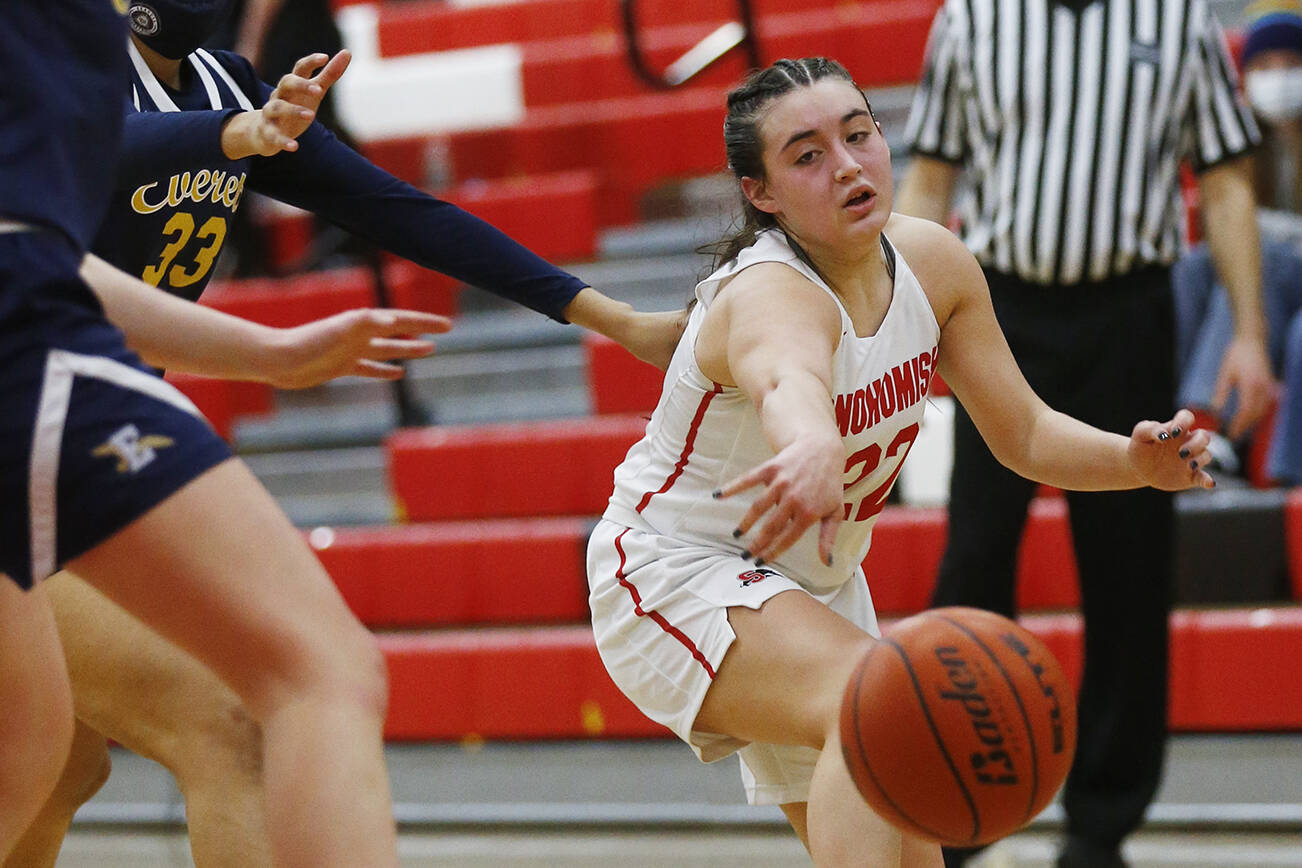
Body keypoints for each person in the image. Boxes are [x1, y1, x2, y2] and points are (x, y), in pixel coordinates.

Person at [8, 3, 683, 865]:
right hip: (33, 419)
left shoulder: (224, 81)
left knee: (56, 764)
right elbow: (96, 153)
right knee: (232, 723)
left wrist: (607, 315)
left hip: (83, 431)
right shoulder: (76, 66)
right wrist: (233, 138)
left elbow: (391, 207)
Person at [585, 57, 1216, 868]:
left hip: (809, 585)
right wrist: (811, 444)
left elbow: (1023, 432)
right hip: (672, 568)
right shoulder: (770, 290)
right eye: (807, 155)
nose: (847, 164)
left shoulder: (932, 263)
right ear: (761, 193)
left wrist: (1133, 463)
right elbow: (788, 378)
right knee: (876, 705)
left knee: (908, 828)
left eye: (858, 134)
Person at [0, 1, 455, 863]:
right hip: (39, 373)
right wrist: (234, 136)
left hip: (49, 355)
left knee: (44, 756)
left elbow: (42, 256)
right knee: (249, 711)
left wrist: (270, 353)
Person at [896, 0, 1276, 862]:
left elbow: (1224, 182)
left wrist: (1250, 333)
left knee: (1130, 572)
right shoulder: (970, 17)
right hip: (996, 310)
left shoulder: (1175, 18)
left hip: (1129, 313)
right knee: (974, 561)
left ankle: (1101, 829)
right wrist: (900, 334)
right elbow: (929, 184)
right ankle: (955, 814)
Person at [1175, 0, 1302, 483]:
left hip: (1289, 277)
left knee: (1258, 252)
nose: (1280, 76)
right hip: (1270, 287)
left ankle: (1211, 427)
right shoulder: (1240, 145)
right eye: (1266, 67)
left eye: (1292, 65)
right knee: (1193, 269)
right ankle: (1164, 423)